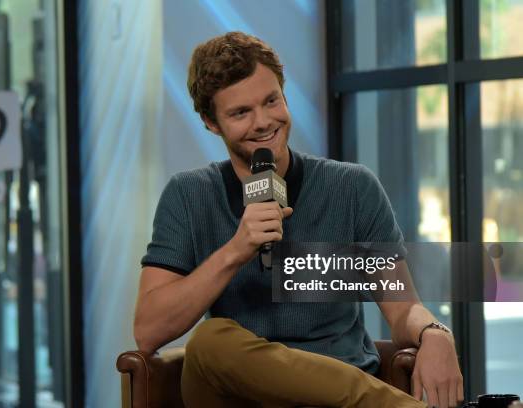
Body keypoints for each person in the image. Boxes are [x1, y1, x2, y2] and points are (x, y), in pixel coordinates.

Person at [134, 31, 463, 408]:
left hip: (335, 394)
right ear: (211, 122)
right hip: (241, 397)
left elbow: (402, 307)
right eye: (241, 113)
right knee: (211, 340)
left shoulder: (351, 187)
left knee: (213, 340)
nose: (263, 122)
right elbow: (148, 330)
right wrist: (236, 251)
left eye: (271, 100)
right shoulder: (188, 195)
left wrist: (436, 334)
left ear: (284, 96)